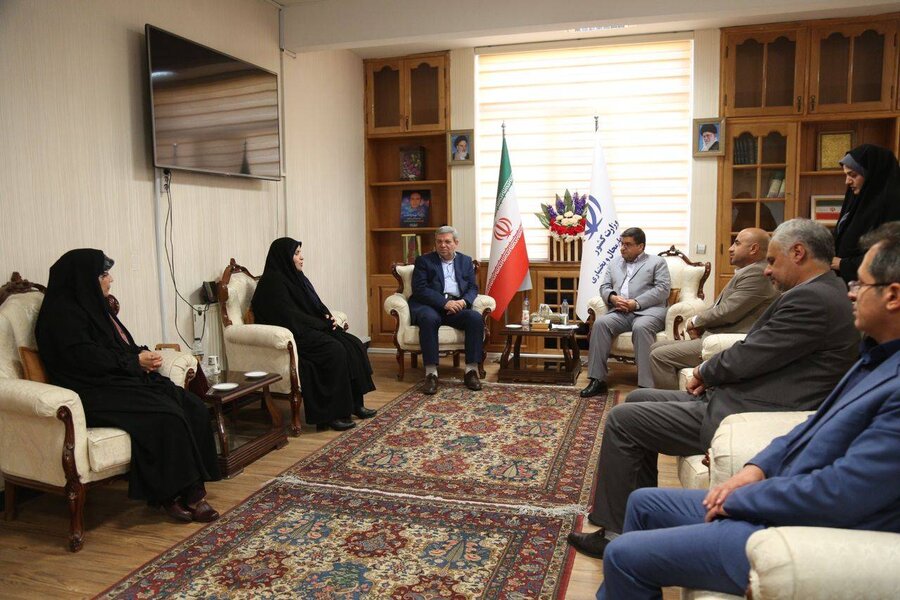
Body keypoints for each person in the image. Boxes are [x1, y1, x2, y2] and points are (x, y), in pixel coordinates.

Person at [597, 221, 900, 599]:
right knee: (643, 496)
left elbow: (844, 492)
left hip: (789, 521)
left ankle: (620, 541)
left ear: (892, 296)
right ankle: (622, 533)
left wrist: (743, 496)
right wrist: (757, 467)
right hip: (760, 449)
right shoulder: (876, 358)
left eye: (861, 284)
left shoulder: (821, 304)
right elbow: (813, 427)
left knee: (624, 542)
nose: (851, 292)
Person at [35, 249, 221, 523]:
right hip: (89, 391)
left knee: (192, 405)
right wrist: (133, 362)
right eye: (104, 274)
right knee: (166, 415)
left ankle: (192, 482)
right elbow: (86, 359)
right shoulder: (60, 316)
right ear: (84, 279)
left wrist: (141, 354)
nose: (110, 280)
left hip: (117, 380)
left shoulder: (93, 306)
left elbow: (116, 345)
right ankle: (176, 494)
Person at [251, 238, 376, 431]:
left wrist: (328, 317)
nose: (302, 257)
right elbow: (288, 316)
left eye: (300, 252)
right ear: (284, 256)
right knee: (334, 350)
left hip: (308, 328)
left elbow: (315, 304)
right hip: (294, 334)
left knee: (354, 344)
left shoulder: (298, 278)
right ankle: (330, 415)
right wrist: (320, 323)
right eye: (296, 253)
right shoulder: (272, 282)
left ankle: (354, 404)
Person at [649, 228, 779, 389]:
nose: (730, 248)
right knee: (655, 347)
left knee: (659, 355)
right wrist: (700, 324)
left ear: (753, 249)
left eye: (737, 243)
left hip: (727, 340)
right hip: (716, 334)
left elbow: (728, 312)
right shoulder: (749, 271)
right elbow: (719, 307)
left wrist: (695, 321)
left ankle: (670, 401)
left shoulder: (757, 274)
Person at [581, 227, 671, 395]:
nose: (622, 248)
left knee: (641, 327)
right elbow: (604, 286)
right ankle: (597, 379)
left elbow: (662, 290)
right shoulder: (614, 263)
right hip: (621, 311)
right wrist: (613, 298)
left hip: (648, 311)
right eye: (622, 244)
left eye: (628, 245)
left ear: (641, 246)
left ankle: (646, 386)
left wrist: (635, 303)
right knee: (600, 324)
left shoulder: (657, 262)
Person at [410, 225, 483, 394]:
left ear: (456, 243)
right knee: (428, 319)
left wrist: (463, 302)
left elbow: (472, 287)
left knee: (475, 318)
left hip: (456, 306)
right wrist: (444, 303)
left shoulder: (465, 261)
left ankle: (471, 371)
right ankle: (431, 374)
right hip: (431, 306)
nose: (443, 245)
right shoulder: (424, 261)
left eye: (447, 242)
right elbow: (420, 289)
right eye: (439, 242)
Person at [832, 143, 900, 283]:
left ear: (872, 175)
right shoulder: (856, 198)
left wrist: (843, 265)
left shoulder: (893, 205)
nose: (847, 181)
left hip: (873, 285)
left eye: (853, 175)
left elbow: (889, 256)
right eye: (846, 175)